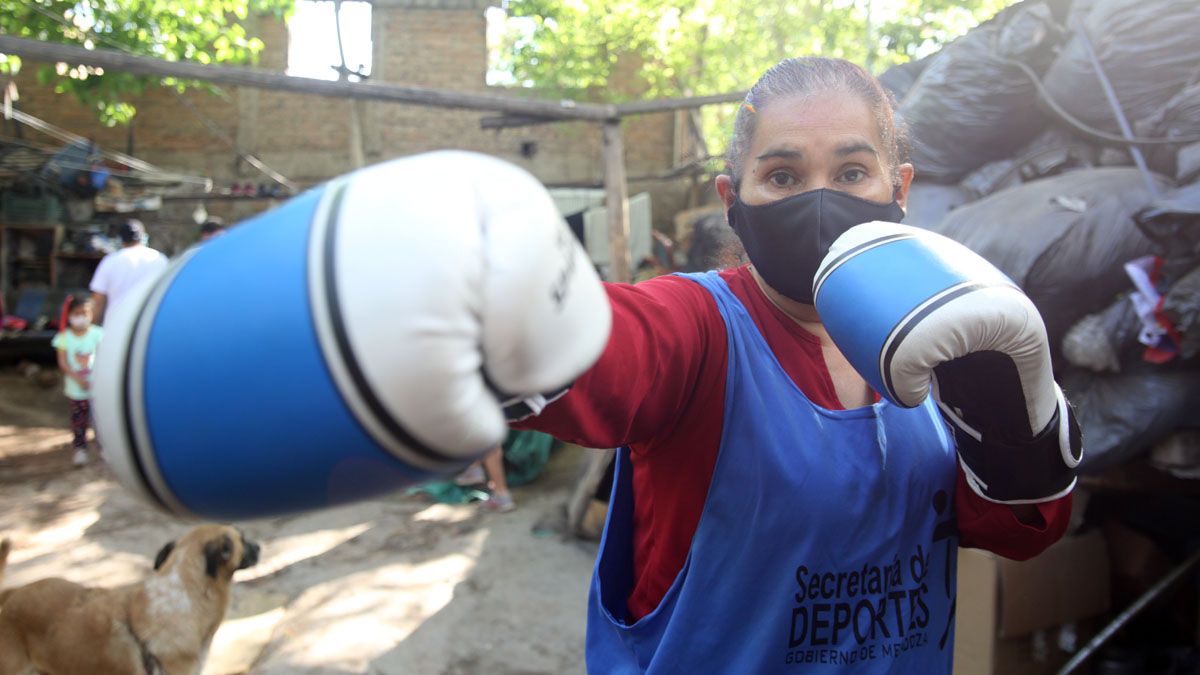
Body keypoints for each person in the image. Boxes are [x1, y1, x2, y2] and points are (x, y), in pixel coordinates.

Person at [508, 57, 1077, 673]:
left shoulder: (940, 328)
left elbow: (1018, 533)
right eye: (782, 176)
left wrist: (1013, 430)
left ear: (899, 190)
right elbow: (607, 344)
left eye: (853, 171)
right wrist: (503, 318)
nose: (819, 202)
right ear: (732, 200)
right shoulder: (700, 327)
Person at [51, 297, 103, 467]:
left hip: (97, 389)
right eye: (76, 314)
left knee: (100, 420)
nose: (81, 317)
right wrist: (78, 379)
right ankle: (80, 449)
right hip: (76, 389)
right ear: (69, 315)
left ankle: (104, 449)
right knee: (79, 420)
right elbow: (63, 363)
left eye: (84, 313)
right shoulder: (63, 337)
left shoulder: (98, 334)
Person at [89, 218, 168, 325]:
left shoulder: (110, 261)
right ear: (143, 237)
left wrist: (92, 328)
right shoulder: (160, 260)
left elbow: (98, 300)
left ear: (121, 240)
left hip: (116, 325)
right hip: (149, 326)